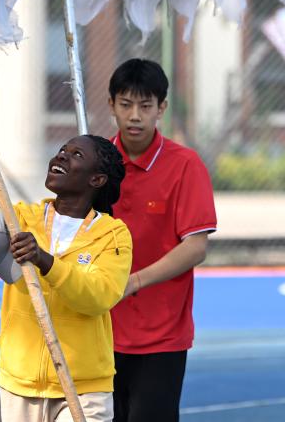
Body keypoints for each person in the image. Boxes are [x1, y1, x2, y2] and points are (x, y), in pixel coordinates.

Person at [0, 130, 132, 422]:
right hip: (20, 383)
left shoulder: (113, 235)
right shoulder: (22, 218)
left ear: (97, 180)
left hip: (83, 388)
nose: (62, 154)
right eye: (63, 149)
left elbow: (98, 296)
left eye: (77, 154)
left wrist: (44, 260)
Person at [106, 58, 217, 422]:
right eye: (126, 104)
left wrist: (135, 281)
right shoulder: (94, 164)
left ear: (161, 109)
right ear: (111, 106)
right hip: (98, 328)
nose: (135, 116)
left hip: (161, 334)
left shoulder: (185, 165)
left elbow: (195, 246)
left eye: (145, 106)